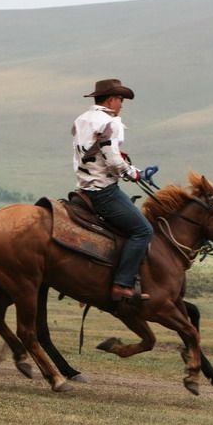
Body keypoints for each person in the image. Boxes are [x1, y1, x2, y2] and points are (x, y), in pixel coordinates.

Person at [72, 79, 155, 301]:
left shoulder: (82, 120)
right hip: (103, 190)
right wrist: (134, 174)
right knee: (143, 231)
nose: (122, 104)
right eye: (120, 99)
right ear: (111, 99)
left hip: (83, 186)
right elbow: (113, 162)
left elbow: (96, 153)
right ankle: (122, 284)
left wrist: (132, 168)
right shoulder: (110, 123)